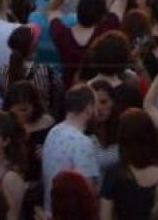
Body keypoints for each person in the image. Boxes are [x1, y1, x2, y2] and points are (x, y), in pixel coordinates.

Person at [42, 86, 111, 218]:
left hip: (53, 211)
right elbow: (88, 190)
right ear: (89, 109)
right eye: (96, 105)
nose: (97, 110)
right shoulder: (82, 143)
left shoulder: (54, 131)